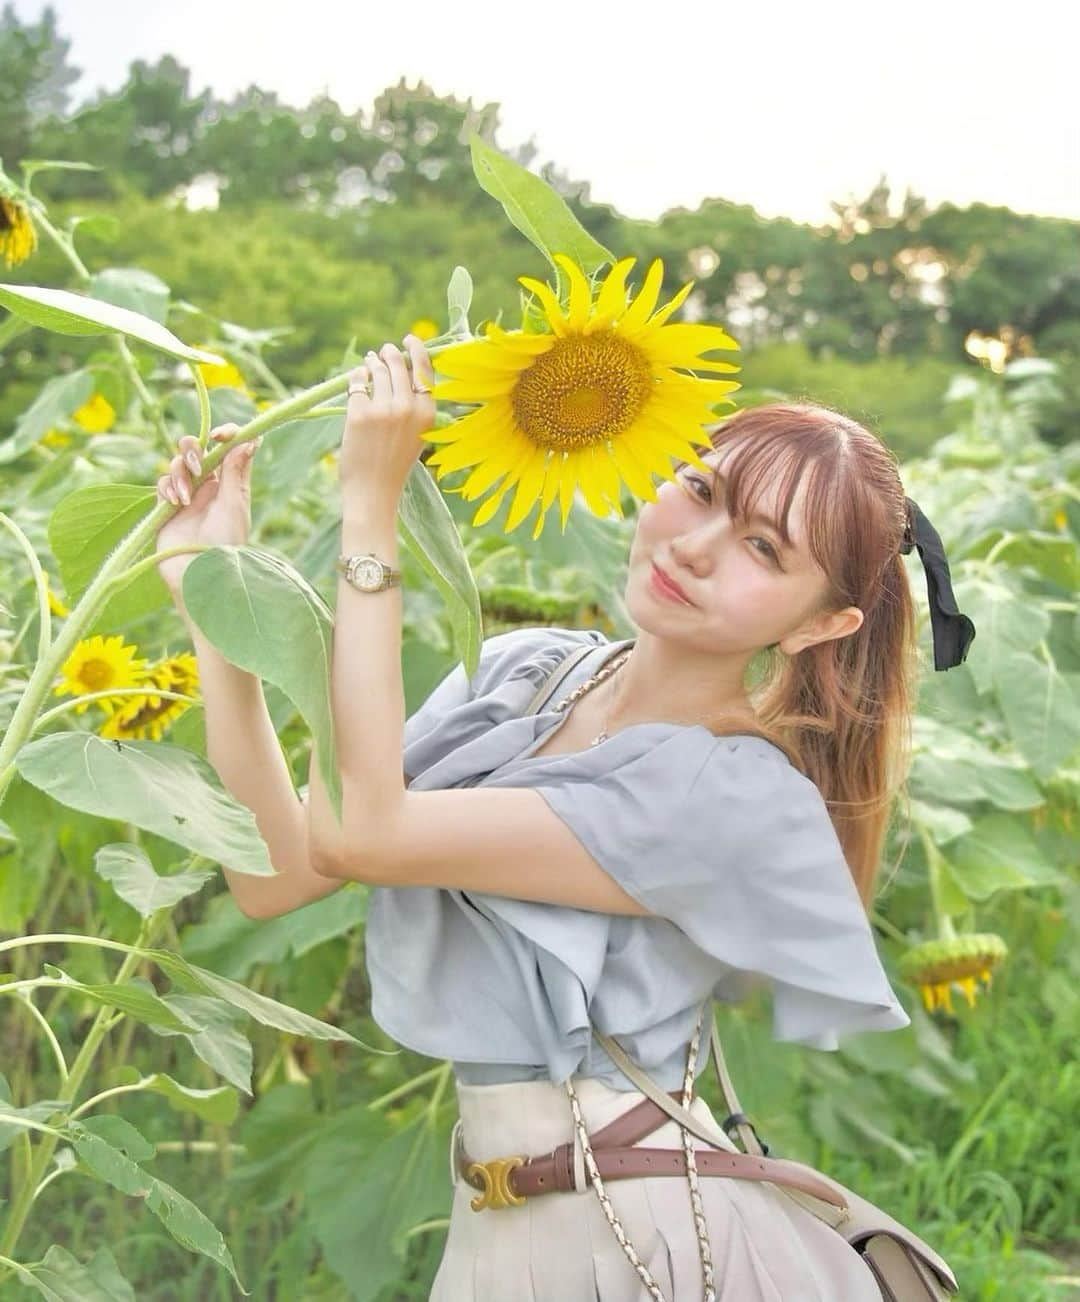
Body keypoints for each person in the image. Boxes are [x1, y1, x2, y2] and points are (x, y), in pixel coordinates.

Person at [154, 393, 973, 1301]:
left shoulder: (727, 794)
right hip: (507, 1213)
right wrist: (210, 590)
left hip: (636, 1239)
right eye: (701, 489)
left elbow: (363, 836)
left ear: (819, 625)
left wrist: (372, 508)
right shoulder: (529, 671)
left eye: (763, 549)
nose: (696, 546)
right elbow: (282, 870)